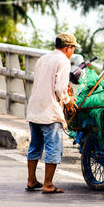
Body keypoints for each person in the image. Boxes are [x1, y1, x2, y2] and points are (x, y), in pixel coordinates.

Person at [25, 33, 80, 194]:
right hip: (50, 111)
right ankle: (48, 184)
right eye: (73, 48)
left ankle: (31, 180)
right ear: (68, 48)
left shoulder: (43, 59)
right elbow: (59, 88)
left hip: (35, 108)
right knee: (53, 147)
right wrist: (68, 100)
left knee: (35, 145)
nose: (73, 51)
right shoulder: (63, 60)